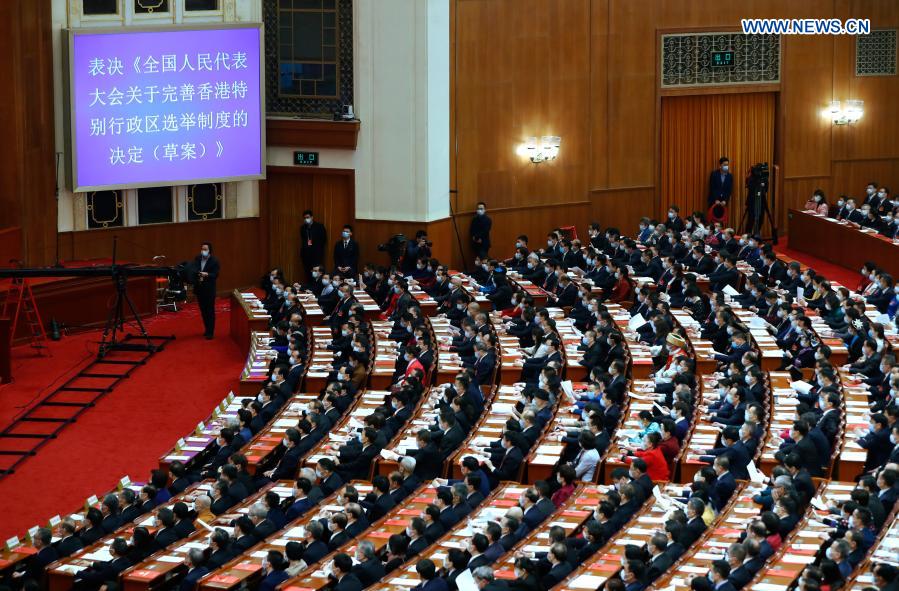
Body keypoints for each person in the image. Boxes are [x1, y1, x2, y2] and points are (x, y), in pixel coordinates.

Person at [192, 241, 220, 339]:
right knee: (203, 310)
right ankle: (206, 329)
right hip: (200, 288)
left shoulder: (214, 261)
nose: (203, 251)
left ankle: (210, 332)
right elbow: (194, 269)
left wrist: (207, 274)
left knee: (210, 311)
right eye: (202, 249)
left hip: (209, 289)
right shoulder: (197, 258)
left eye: (205, 249)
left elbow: (215, 275)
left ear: (209, 251)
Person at [300, 209, 327, 282]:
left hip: (316, 254)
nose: (306, 219)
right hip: (306, 255)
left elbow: (323, 240)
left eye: (308, 217)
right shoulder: (303, 228)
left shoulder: (319, 226)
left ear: (312, 217)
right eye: (305, 218)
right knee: (308, 273)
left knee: (316, 273)